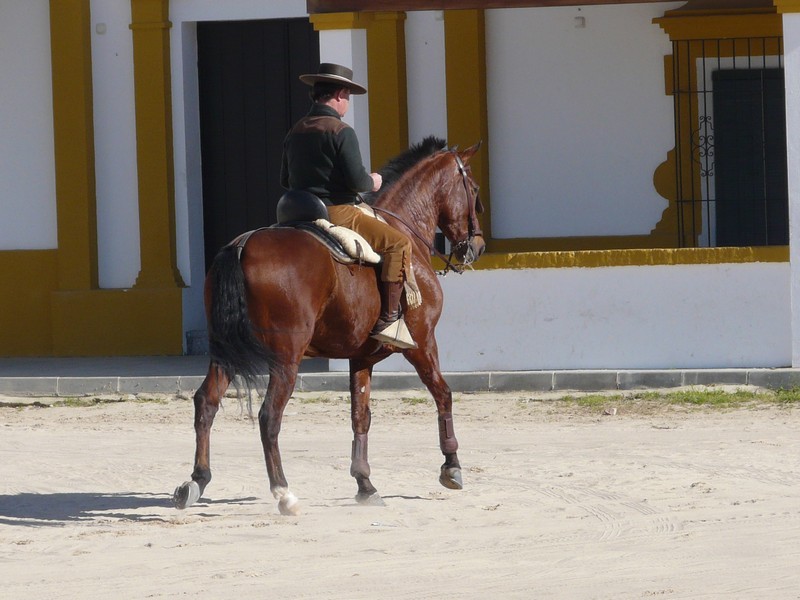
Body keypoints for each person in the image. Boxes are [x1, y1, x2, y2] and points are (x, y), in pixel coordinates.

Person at [280, 63, 416, 350]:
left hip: (295, 210)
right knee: (399, 243)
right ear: (340, 94)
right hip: (337, 211)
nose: (347, 105)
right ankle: (390, 321)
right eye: (348, 98)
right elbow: (357, 182)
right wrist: (374, 181)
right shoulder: (341, 131)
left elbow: (285, 178)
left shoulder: (295, 131)